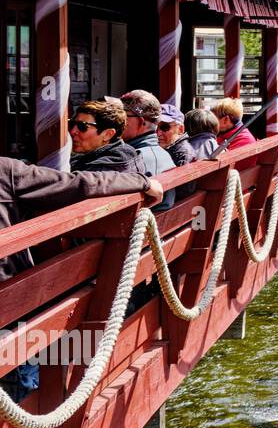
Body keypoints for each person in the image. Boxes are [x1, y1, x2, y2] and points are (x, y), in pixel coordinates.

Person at [0, 157, 163, 399]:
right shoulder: (5, 170)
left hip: (12, 310)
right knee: (23, 381)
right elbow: (78, 185)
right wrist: (142, 182)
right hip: (11, 306)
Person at [120, 90, 176, 208]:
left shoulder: (135, 158)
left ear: (141, 122)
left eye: (123, 116)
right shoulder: (160, 153)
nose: (117, 120)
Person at [69, 100, 145, 174]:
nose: (73, 131)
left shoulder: (106, 169)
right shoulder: (90, 158)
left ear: (108, 134)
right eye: (72, 124)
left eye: (82, 126)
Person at [156, 103, 198, 167]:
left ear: (180, 129)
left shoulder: (183, 157)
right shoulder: (167, 149)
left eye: (164, 127)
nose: (158, 133)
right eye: (155, 127)